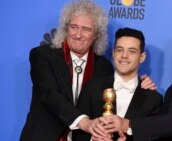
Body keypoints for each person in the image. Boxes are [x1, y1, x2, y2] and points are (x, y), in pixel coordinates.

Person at [20, 0, 156, 141]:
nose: (78, 35)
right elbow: (50, 95)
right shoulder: (42, 56)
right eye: (74, 27)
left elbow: (119, 85)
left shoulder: (103, 66)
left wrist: (141, 84)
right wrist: (85, 122)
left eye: (86, 29)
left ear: (96, 34)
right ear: (66, 28)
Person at [73, 27, 163, 141]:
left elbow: (154, 137)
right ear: (113, 53)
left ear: (142, 57)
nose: (124, 55)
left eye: (132, 51)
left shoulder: (154, 100)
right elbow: (78, 131)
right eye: (120, 50)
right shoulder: (92, 87)